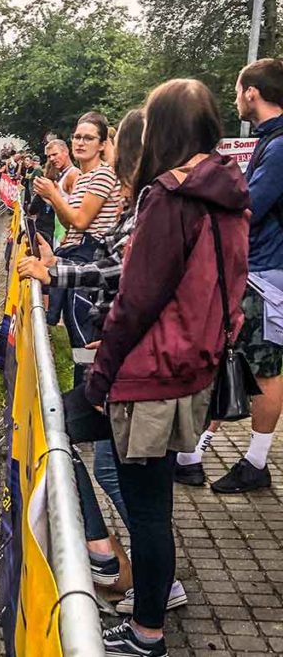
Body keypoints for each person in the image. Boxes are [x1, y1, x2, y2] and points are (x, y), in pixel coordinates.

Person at [87, 79, 249, 657]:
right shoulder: (229, 191)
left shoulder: (169, 195)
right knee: (155, 505)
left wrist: (101, 374)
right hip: (191, 370)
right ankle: (142, 616)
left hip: (149, 372)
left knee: (148, 510)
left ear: (163, 131)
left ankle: (145, 632)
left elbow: (136, 300)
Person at [19, 110, 191, 614]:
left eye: (109, 146)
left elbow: (125, 271)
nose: (110, 161)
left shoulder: (155, 204)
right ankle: (134, 582)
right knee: (123, 475)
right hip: (135, 361)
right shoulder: (157, 202)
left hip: (140, 370)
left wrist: (58, 274)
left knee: (77, 441)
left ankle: (127, 583)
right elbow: (124, 267)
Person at [174, 58, 283, 492]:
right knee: (226, 356)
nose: (236, 98)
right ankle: (191, 455)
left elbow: (250, 205)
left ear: (252, 92)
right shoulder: (270, 141)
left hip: (265, 273)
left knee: (266, 368)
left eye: (239, 89)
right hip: (254, 268)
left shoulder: (278, 146)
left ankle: (255, 463)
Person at [34, 113, 122, 384]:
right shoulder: (83, 178)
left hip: (92, 255)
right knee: (74, 330)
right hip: (74, 250)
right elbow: (67, 220)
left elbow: (81, 221)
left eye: (88, 138)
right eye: (77, 137)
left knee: (85, 333)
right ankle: (80, 396)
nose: (80, 143)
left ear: (102, 144)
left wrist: (54, 195)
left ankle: (89, 397)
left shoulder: (103, 175)